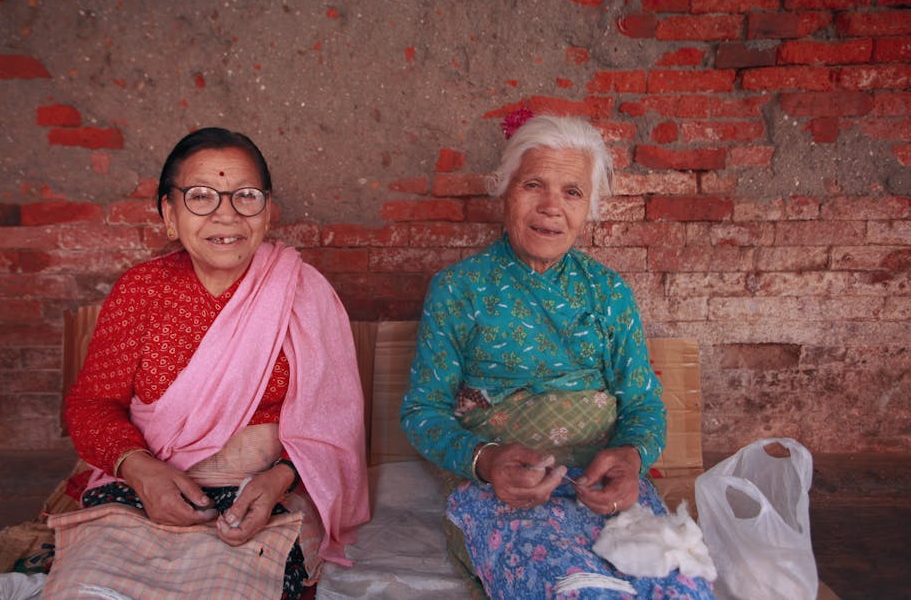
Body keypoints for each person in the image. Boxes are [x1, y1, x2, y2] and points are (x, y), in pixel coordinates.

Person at [400, 112, 715, 598]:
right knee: (573, 588)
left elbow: (643, 404)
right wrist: (485, 460)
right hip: (502, 493)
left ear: (589, 208)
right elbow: (422, 412)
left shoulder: (608, 292)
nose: (551, 207)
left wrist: (630, 460)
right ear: (505, 192)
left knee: (678, 585)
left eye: (572, 192)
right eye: (533, 185)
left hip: (601, 488)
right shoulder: (458, 291)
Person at [60, 127, 369, 599]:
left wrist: (279, 479)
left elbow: (335, 424)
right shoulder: (140, 290)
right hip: (144, 484)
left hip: (264, 495)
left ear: (266, 212)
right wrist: (143, 472)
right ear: (169, 213)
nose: (226, 214)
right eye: (200, 196)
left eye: (245, 196)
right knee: (92, 588)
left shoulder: (304, 293)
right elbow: (91, 405)